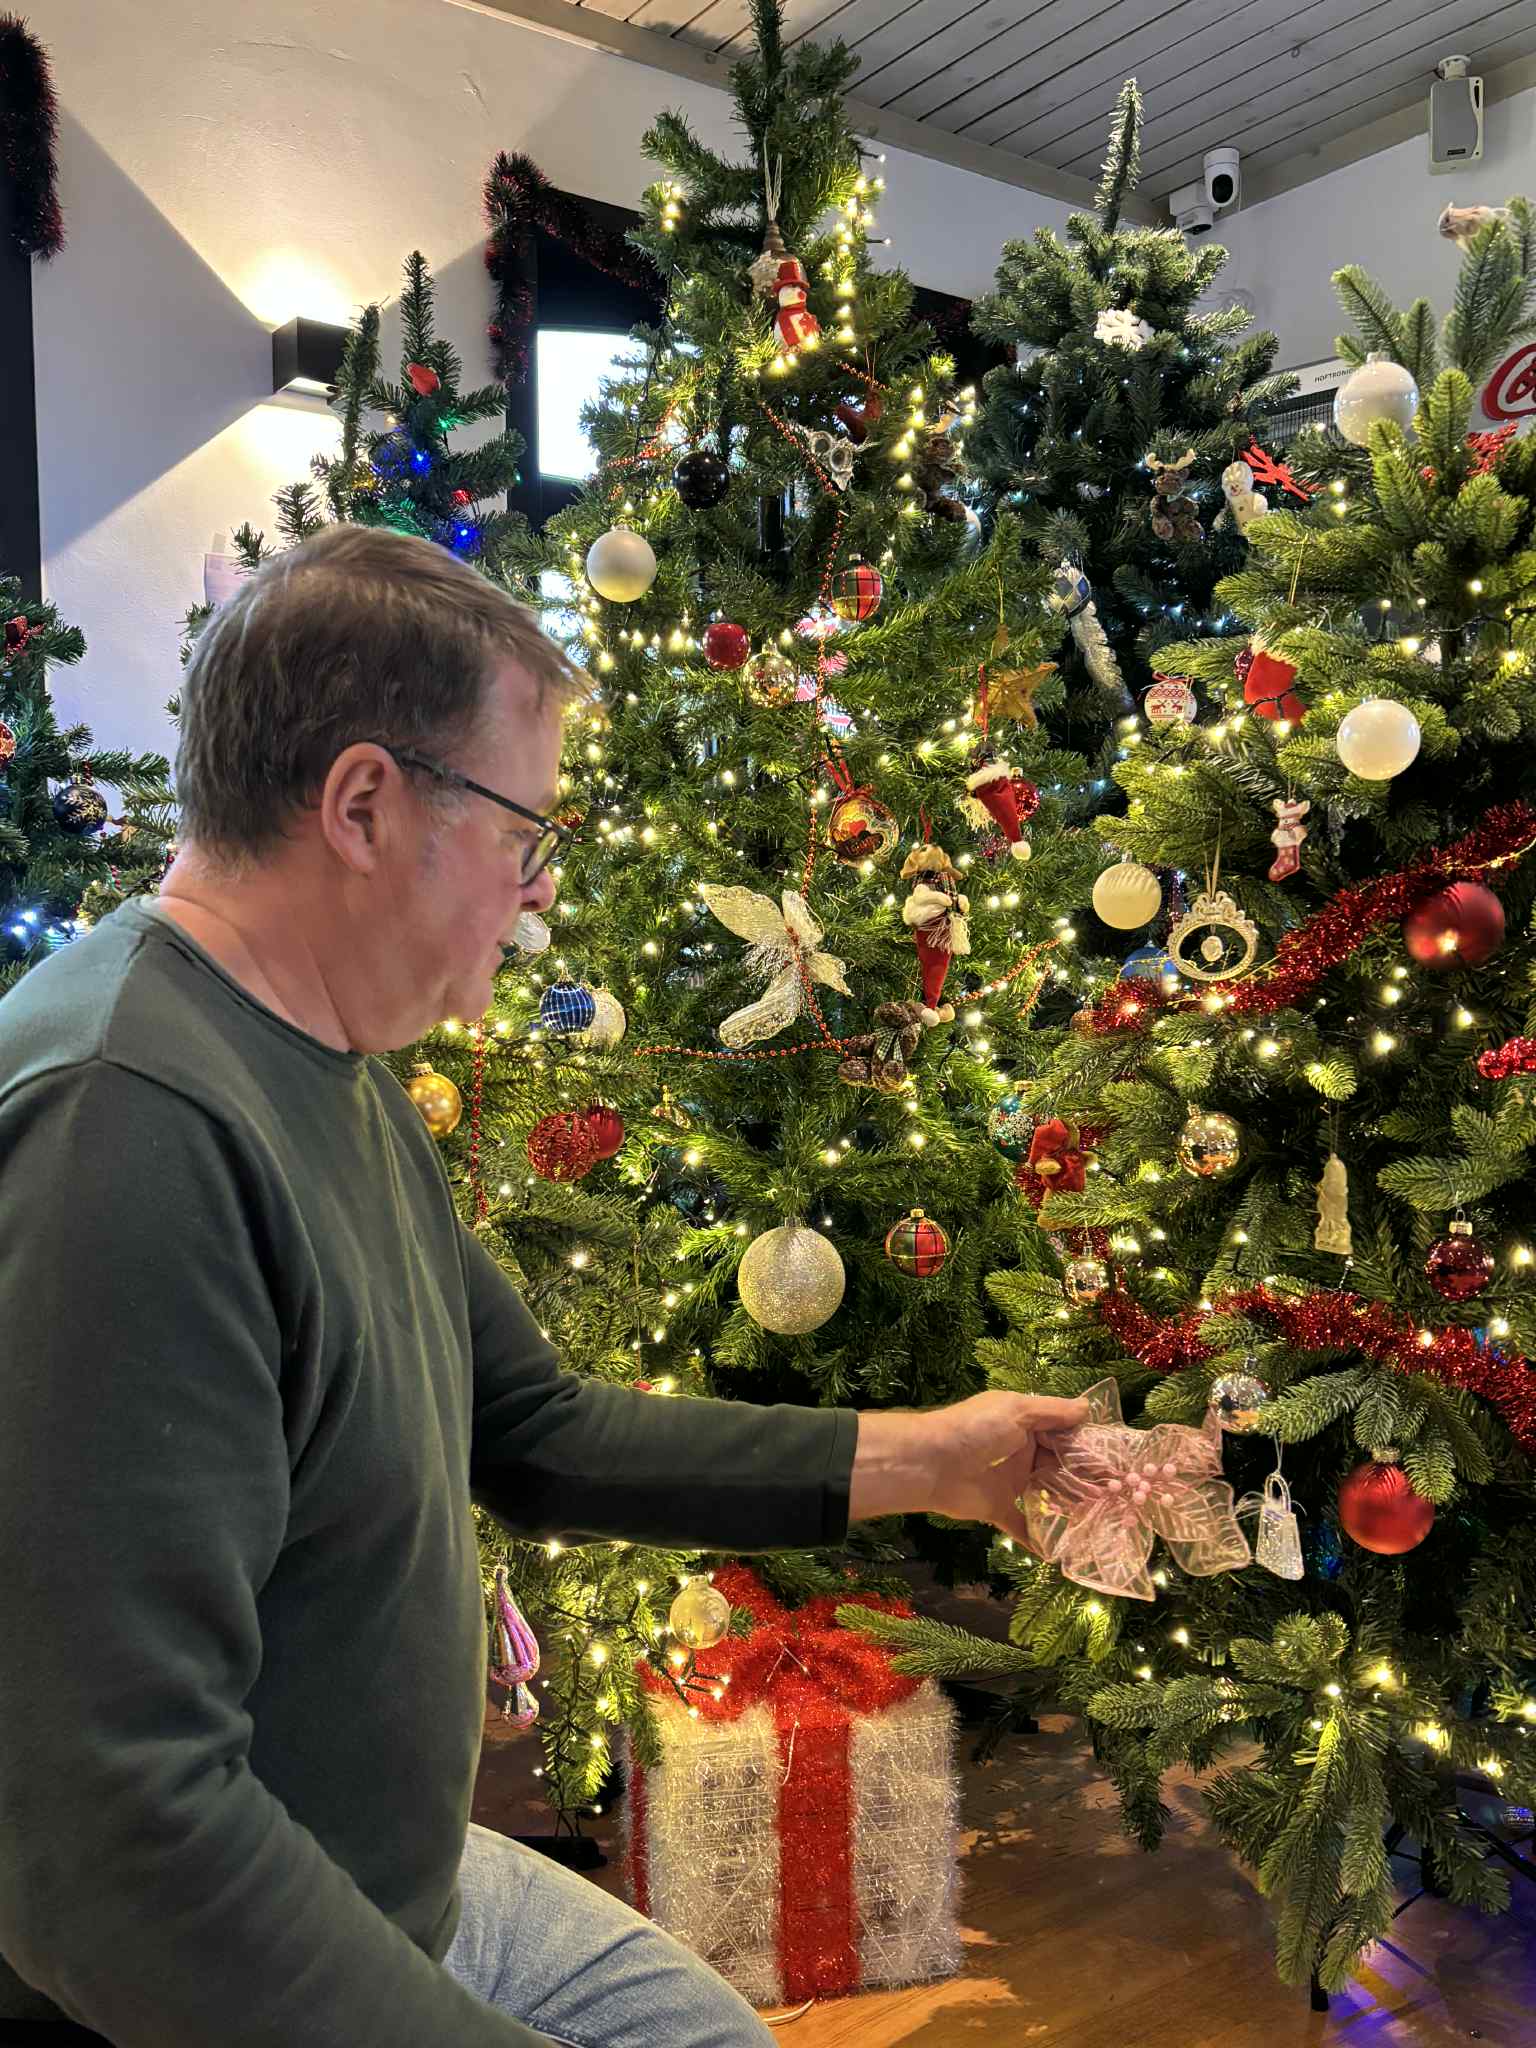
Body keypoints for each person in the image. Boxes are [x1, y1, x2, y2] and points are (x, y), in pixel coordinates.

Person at [0, 526, 1086, 2048]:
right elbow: (112, 1857)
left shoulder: (329, 1055)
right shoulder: (127, 1127)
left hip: (397, 1878)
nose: (536, 895)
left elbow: (534, 1423)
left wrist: (940, 1460)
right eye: (527, 833)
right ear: (366, 805)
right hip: (229, 1956)